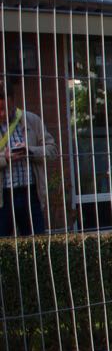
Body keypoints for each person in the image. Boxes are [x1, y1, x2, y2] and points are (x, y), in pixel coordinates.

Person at [0, 82, 56, 236]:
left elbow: (52, 150)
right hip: (3, 197)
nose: (1, 114)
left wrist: (29, 151)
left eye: (4, 109)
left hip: (29, 193)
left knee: (36, 243)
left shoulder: (31, 120)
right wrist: (5, 158)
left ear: (12, 101)